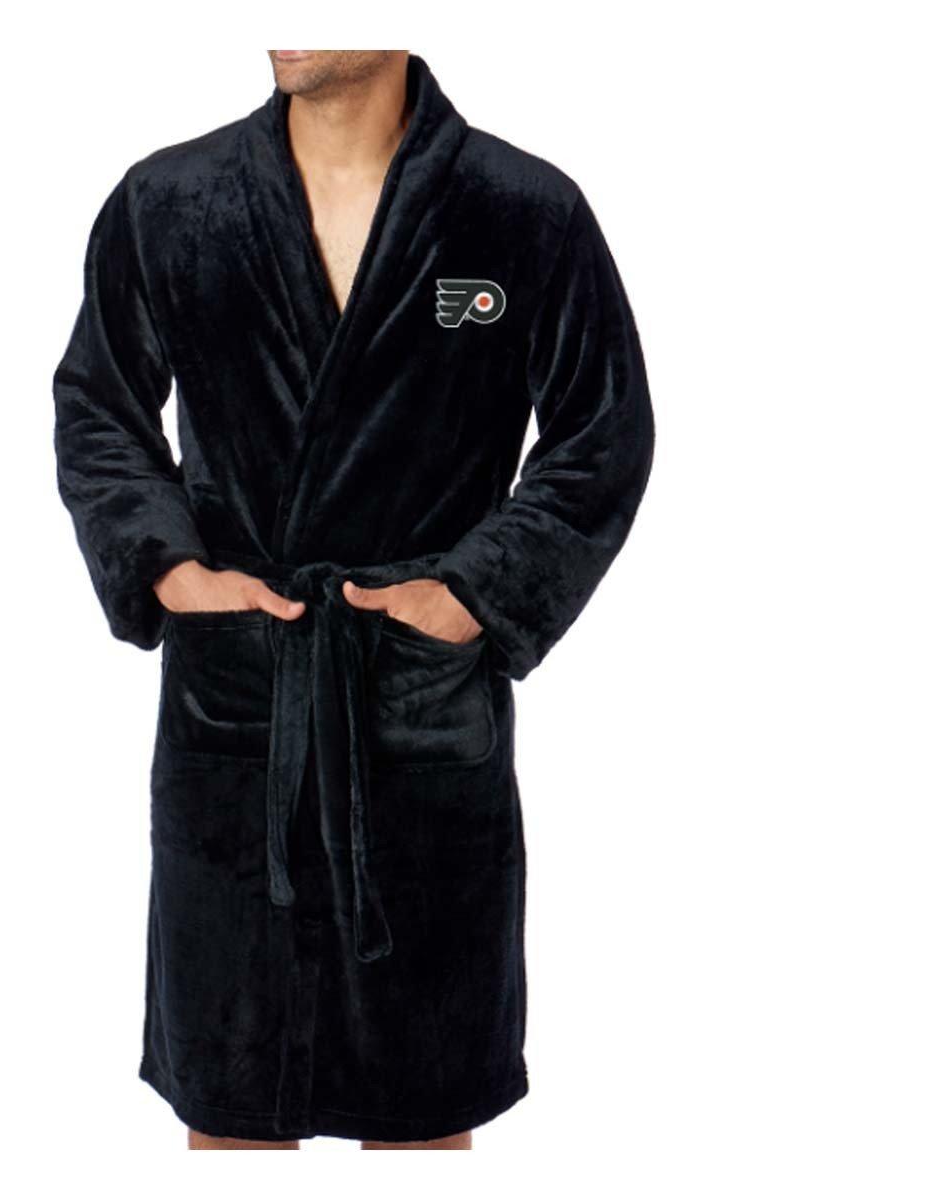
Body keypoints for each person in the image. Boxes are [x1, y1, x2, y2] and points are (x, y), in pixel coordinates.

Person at [52, 49, 655, 1150]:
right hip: (242, 708)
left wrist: (472, 593)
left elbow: (600, 436)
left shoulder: (520, 210)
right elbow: (99, 408)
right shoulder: (170, 200)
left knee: (421, 1111)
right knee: (233, 1105)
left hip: (418, 707)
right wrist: (173, 574)